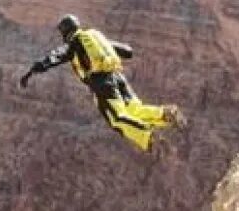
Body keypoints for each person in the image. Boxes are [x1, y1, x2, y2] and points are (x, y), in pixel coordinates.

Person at [18, 14, 185, 152]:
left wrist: (31, 72)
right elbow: (128, 51)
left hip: (101, 82)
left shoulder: (74, 43)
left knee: (117, 118)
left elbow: (55, 56)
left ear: (65, 32)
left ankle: (150, 139)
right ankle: (165, 114)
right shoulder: (95, 37)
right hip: (118, 76)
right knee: (134, 109)